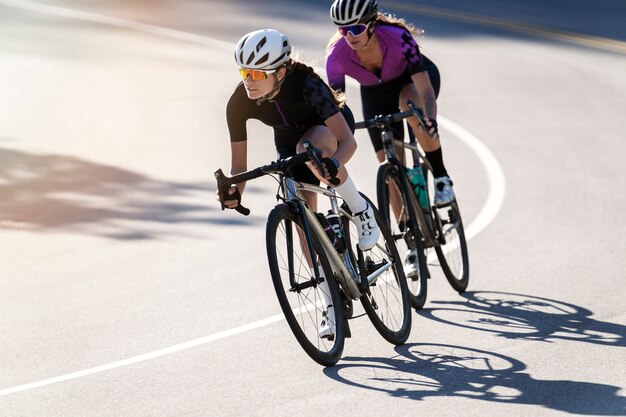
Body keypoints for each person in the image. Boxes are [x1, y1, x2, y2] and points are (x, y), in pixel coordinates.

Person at [217, 29, 380, 338]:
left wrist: (332, 166)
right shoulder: (239, 102)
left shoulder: (308, 86)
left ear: (279, 72)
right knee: (303, 221)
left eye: (255, 73)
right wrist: (233, 194)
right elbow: (239, 167)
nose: (248, 80)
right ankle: (331, 304)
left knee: (311, 153)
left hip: (327, 127)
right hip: (290, 140)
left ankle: (360, 211)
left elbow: (348, 142)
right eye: (243, 72)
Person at [326, 0, 455, 207]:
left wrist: (430, 119)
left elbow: (425, 90)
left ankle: (441, 177)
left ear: (371, 25)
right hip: (375, 92)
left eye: (356, 29)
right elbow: (335, 107)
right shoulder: (336, 56)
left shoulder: (398, 37)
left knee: (410, 105)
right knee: (386, 159)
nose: (350, 36)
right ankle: (404, 226)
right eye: (344, 30)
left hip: (410, 80)